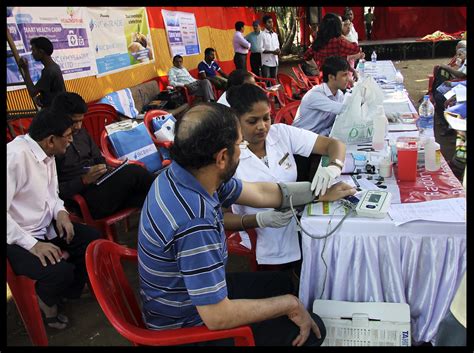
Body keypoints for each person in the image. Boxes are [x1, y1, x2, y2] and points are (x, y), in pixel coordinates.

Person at [137, 102, 354, 346]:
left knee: (282, 283)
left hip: (186, 294)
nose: (243, 150)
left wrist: (317, 192)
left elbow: (261, 192)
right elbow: (217, 317)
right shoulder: (195, 221)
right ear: (222, 157)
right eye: (240, 145)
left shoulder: (188, 173)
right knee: (313, 329)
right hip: (186, 325)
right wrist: (289, 306)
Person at [226, 83, 351, 271]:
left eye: (266, 118)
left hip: (301, 224)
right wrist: (258, 220)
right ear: (235, 120)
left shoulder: (281, 133)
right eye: (252, 121)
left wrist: (334, 167)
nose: (262, 127)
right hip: (264, 241)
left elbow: (333, 145)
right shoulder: (229, 157)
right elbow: (222, 217)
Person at [7, 108, 100, 330]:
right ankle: (46, 304)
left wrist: (61, 213)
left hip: (42, 226)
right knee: (58, 271)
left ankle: (68, 292)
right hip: (15, 237)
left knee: (90, 239)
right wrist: (33, 245)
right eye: (67, 136)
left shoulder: (47, 154)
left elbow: (52, 195)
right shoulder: (14, 158)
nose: (71, 140)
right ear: (51, 140)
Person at [52, 92, 156, 220]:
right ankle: (169, 188)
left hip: (104, 187)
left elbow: (98, 157)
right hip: (84, 200)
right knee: (134, 172)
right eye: (74, 122)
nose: (78, 126)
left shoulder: (81, 133)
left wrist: (104, 168)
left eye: (81, 121)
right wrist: (83, 180)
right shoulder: (54, 144)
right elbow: (55, 191)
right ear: (61, 117)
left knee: (146, 197)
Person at [292, 56, 350, 181]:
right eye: (344, 75)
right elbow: (345, 110)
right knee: (303, 182)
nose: (348, 79)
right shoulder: (315, 95)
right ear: (331, 77)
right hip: (300, 145)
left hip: (317, 140)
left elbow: (338, 121)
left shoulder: (338, 94)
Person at [303, 13, 362, 83]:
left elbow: (306, 56)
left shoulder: (319, 41)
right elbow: (356, 49)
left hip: (324, 80)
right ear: (337, 27)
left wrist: (316, 67)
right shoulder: (339, 41)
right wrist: (343, 36)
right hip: (338, 81)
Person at [18, 36, 66, 108]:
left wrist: (25, 69)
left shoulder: (49, 71)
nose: (32, 54)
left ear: (41, 52)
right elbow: (54, 92)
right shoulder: (54, 67)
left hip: (55, 112)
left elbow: (32, 92)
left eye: (33, 50)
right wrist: (42, 97)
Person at [260, 15, 280, 83]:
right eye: (269, 22)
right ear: (265, 24)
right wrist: (272, 52)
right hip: (266, 62)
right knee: (266, 81)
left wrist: (278, 51)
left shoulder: (275, 35)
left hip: (275, 60)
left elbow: (277, 46)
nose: (271, 24)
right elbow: (261, 49)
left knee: (274, 80)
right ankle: (266, 93)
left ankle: (274, 93)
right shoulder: (262, 35)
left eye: (272, 22)